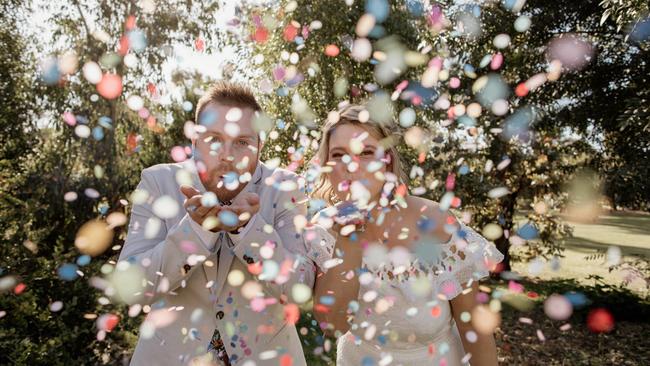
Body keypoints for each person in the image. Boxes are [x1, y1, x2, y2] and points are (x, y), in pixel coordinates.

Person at [117, 81, 331, 366]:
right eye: (214, 139)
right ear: (195, 142)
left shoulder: (285, 188)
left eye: (242, 142)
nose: (228, 155)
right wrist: (194, 231)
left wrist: (249, 231)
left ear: (259, 147)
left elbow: (298, 289)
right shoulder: (158, 182)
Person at [309, 103, 504, 366]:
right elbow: (332, 325)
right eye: (338, 154)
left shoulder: (434, 222)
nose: (351, 167)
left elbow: (475, 329)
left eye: (366, 152)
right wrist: (349, 238)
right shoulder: (322, 229)